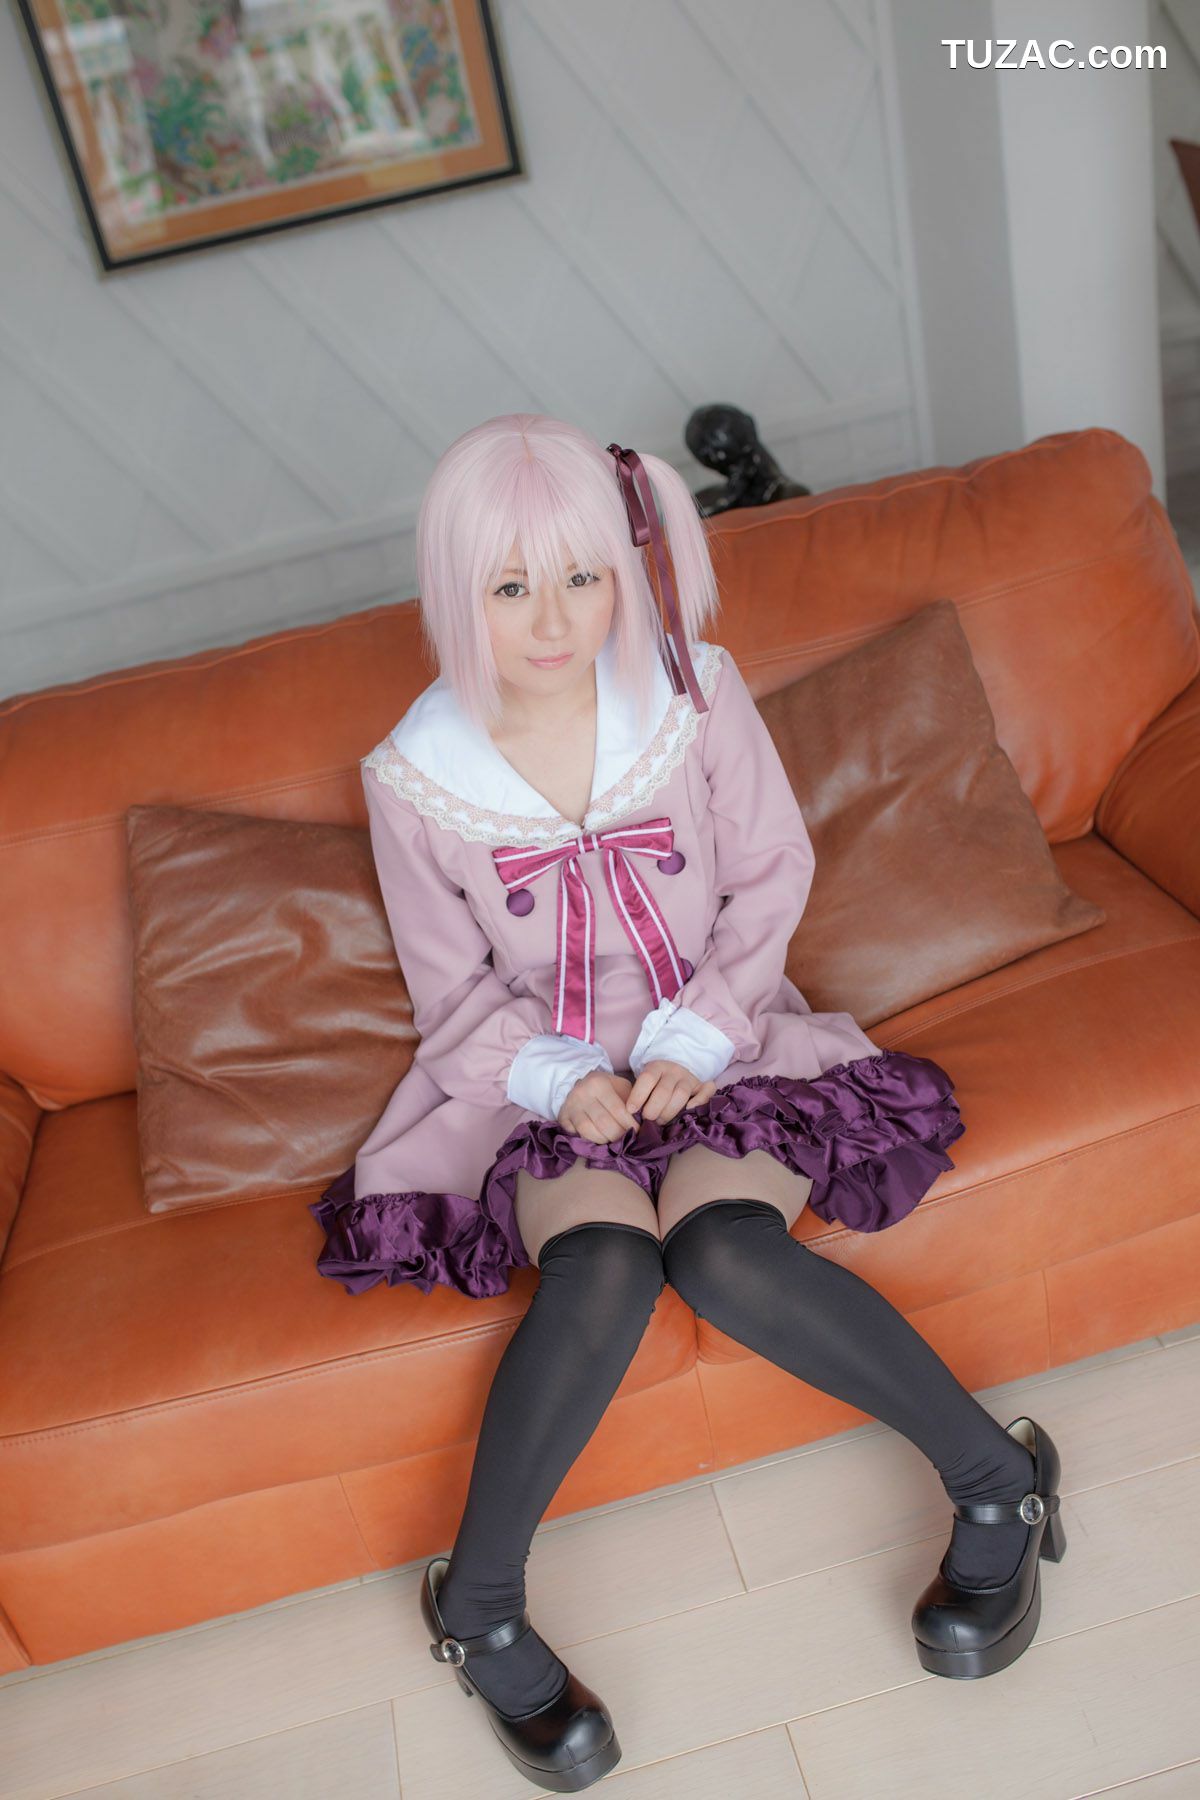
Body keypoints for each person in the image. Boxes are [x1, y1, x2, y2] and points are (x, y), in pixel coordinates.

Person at [309, 415, 1066, 1793]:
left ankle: (997, 1485)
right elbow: (451, 992)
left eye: (582, 577)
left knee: (722, 1251)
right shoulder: (411, 778)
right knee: (603, 1265)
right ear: (455, 593)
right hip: (538, 1077)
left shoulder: (695, 694)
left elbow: (772, 874)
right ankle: (480, 1610)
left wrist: (701, 1031)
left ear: (626, 566)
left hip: (721, 1034)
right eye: (510, 588)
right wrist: (563, 1079)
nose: (554, 621)